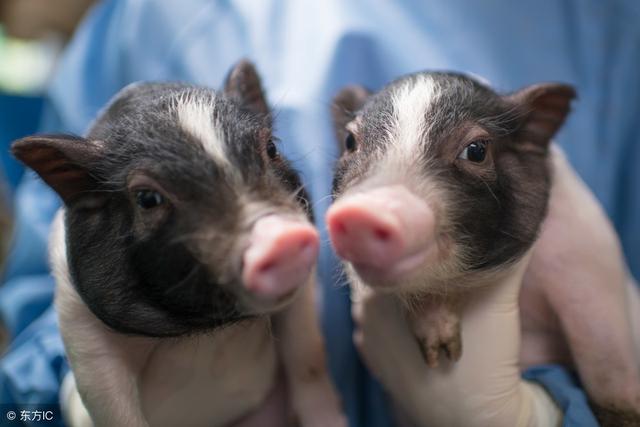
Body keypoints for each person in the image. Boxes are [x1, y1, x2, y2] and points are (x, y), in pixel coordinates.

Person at [1, 1, 638, 426]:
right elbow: (30, 347)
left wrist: (540, 414)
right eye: (353, 147)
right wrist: (75, 404)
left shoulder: (612, 26)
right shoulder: (148, 18)